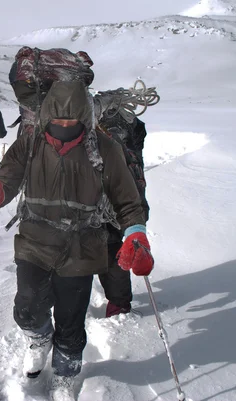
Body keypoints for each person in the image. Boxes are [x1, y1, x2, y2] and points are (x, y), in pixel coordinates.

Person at [0, 81, 154, 400]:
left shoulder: (105, 149)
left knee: (71, 319)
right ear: (46, 116)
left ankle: (65, 373)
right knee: (27, 308)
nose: (63, 126)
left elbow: (127, 202)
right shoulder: (28, 144)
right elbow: (8, 179)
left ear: (84, 119)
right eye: (57, 120)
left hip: (83, 244)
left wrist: (135, 233)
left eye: (71, 121)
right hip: (35, 239)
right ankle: (39, 338)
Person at [97, 116, 150, 318]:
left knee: (109, 251)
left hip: (111, 209)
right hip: (122, 209)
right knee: (111, 250)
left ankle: (119, 304)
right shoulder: (127, 145)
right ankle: (119, 303)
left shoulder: (107, 147)